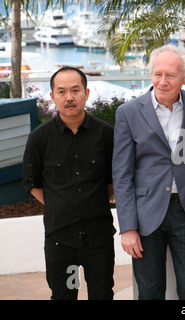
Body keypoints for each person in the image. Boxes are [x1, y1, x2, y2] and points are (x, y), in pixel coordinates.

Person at [112, 44, 185, 300]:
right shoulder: (128, 113)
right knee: (149, 291)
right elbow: (122, 174)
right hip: (146, 214)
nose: (163, 81)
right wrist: (127, 228)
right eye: (158, 74)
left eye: (170, 75)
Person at [22, 66, 115, 300]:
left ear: (87, 92)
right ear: (52, 96)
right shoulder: (40, 138)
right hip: (60, 241)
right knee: (65, 295)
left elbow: (115, 179)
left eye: (75, 90)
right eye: (61, 92)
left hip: (98, 240)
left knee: (102, 295)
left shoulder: (105, 134)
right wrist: (58, 204)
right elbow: (32, 183)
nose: (69, 97)